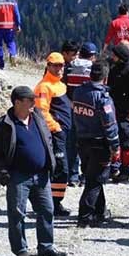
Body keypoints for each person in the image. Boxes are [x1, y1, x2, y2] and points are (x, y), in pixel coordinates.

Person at [0, 87, 67, 256]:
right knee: (17, 213)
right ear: (18, 102)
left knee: (47, 210)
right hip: (18, 176)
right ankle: (20, 249)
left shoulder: (38, 117)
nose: (34, 103)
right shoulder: (3, 125)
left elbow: (47, 139)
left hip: (41, 175)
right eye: (30, 100)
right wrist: (2, 173)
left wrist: (52, 162)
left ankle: (46, 246)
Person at [72, 61, 120, 227]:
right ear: (105, 78)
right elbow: (110, 125)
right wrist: (115, 147)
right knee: (95, 180)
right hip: (99, 143)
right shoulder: (103, 98)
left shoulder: (78, 92)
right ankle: (85, 216)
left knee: (92, 175)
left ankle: (100, 211)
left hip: (81, 140)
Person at [34, 52, 72, 216]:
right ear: (48, 66)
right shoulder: (44, 86)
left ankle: (55, 204)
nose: (58, 69)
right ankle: (53, 204)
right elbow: (42, 111)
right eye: (55, 65)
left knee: (62, 169)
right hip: (54, 134)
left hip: (64, 133)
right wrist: (56, 128)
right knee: (59, 168)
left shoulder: (60, 84)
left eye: (61, 65)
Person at [107, 43, 129, 183]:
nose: (112, 57)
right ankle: (114, 166)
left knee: (125, 139)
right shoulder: (115, 68)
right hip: (114, 106)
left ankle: (126, 169)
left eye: (114, 55)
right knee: (113, 138)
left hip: (125, 109)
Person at [65, 42, 96, 186]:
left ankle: (72, 175)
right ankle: (86, 175)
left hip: (72, 108)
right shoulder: (93, 69)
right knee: (88, 143)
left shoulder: (70, 67)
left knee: (72, 143)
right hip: (88, 110)